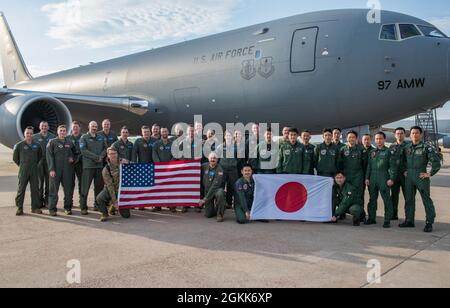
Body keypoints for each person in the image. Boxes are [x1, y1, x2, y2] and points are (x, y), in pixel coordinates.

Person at [400, 126, 441, 233]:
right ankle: (409, 220)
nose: (414, 135)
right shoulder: (407, 147)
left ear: (421, 134)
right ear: (410, 135)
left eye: (417, 133)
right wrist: (405, 170)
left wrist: (429, 173)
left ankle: (429, 222)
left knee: (426, 199)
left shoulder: (426, 147)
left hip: (421, 176)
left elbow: (436, 161)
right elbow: (402, 161)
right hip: (409, 177)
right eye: (412, 133)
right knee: (409, 199)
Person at [365, 132, 396, 228]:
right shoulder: (372, 152)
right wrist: (367, 178)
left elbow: (393, 167)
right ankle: (371, 218)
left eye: (381, 139)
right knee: (372, 199)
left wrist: (391, 178)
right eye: (377, 139)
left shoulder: (389, 152)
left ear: (384, 140)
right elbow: (369, 166)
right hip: (373, 178)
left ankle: (387, 220)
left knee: (386, 199)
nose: (379, 141)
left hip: (384, 177)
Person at [47, 125, 79, 216]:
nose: (62, 132)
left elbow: (76, 153)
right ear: (58, 132)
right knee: (53, 190)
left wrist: (73, 159)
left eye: (64, 131)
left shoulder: (70, 142)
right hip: (56, 170)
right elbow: (49, 157)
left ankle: (67, 208)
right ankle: (52, 209)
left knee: (68, 190)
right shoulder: (52, 142)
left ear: (66, 132)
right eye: (61, 131)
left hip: (68, 170)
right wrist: (51, 169)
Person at [13, 127, 43, 216]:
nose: (29, 135)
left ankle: (35, 208)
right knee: (21, 189)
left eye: (30, 133)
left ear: (32, 134)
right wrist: (22, 165)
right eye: (27, 133)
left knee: (35, 189)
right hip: (23, 170)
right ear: (24, 134)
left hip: (34, 170)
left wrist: (33, 165)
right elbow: (15, 158)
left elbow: (40, 156)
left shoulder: (37, 145)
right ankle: (19, 208)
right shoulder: (19, 145)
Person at [80, 121, 107, 215]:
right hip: (88, 166)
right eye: (92, 126)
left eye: (96, 126)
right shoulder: (84, 137)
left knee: (99, 187)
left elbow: (105, 149)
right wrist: (96, 157)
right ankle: (83, 207)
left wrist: (101, 156)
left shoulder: (101, 137)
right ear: (89, 126)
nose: (94, 128)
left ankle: (97, 205)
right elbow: (83, 151)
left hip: (99, 166)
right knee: (85, 188)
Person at [96, 147, 127, 222]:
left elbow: (136, 166)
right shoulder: (106, 169)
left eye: (114, 153)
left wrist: (128, 163)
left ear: (117, 154)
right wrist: (115, 200)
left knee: (126, 215)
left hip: (122, 190)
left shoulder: (123, 162)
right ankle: (104, 214)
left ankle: (112, 207)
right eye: (111, 154)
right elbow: (110, 186)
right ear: (108, 155)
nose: (113, 155)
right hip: (111, 189)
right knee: (99, 198)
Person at [338, 131, 365, 214]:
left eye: (353, 137)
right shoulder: (343, 149)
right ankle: (343, 212)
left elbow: (364, 164)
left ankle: (360, 214)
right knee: (345, 194)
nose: (351, 139)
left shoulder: (361, 149)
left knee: (359, 195)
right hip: (346, 176)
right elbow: (340, 164)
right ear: (346, 138)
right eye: (349, 137)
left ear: (356, 138)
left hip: (358, 177)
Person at [33, 121, 56, 208]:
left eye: (46, 126)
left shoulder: (53, 137)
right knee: (39, 182)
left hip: (49, 162)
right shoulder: (34, 137)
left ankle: (47, 201)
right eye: (42, 126)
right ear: (39, 127)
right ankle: (39, 201)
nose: (44, 128)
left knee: (49, 183)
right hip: (39, 162)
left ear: (48, 127)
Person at [389, 127, 410, 221]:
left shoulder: (409, 146)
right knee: (393, 196)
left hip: (405, 175)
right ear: (395, 135)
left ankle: (408, 217)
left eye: (401, 133)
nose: (399, 135)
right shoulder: (392, 146)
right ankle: (394, 214)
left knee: (408, 196)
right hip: (395, 175)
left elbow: (412, 161)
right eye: (398, 133)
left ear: (404, 135)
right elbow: (389, 161)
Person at [152, 127, 176, 212]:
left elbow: (175, 155)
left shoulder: (172, 143)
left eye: (166, 131)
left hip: (170, 168)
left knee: (170, 187)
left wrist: (170, 164)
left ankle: (171, 205)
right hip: (159, 169)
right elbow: (154, 155)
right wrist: (160, 165)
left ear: (168, 132)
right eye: (163, 132)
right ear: (160, 133)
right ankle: (157, 205)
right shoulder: (156, 144)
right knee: (159, 187)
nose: (164, 133)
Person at [199, 152, 226, 222]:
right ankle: (216, 209)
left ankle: (220, 213)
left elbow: (215, 186)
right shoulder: (204, 166)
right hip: (207, 191)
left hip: (216, 190)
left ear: (217, 159)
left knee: (220, 193)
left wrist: (205, 198)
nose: (212, 159)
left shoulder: (220, 169)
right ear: (208, 158)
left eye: (214, 158)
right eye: (211, 158)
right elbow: (194, 168)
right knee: (208, 214)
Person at [217, 131, 240, 209]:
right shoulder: (220, 147)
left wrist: (234, 163)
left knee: (233, 186)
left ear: (232, 137)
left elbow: (239, 158)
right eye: (227, 135)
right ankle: (221, 204)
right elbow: (217, 158)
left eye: (230, 135)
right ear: (224, 137)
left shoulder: (236, 147)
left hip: (233, 170)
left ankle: (230, 203)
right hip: (222, 169)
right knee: (221, 186)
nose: (228, 137)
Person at [67, 121, 83, 209]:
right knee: (70, 184)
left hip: (80, 164)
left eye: (77, 127)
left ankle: (82, 203)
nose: (75, 129)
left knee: (82, 184)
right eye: (74, 127)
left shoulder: (83, 138)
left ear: (79, 128)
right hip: (70, 164)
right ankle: (69, 203)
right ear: (71, 128)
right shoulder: (67, 138)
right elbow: (65, 151)